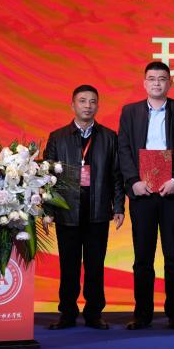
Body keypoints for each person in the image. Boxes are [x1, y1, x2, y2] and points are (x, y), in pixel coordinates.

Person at [118, 61, 174, 330]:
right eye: (151, 79)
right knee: (143, 256)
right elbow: (124, 149)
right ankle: (142, 313)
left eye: (162, 79)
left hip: (172, 191)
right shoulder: (130, 112)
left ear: (169, 83)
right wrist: (133, 181)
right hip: (142, 192)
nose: (156, 83)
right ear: (144, 83)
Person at [43, 85, 125, 330]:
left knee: (95, 266)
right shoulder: (58, 137)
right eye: (82, 101)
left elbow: (117, 175)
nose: (88, 106)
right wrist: (48, 210)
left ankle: (94, 313)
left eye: (92, 101)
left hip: (97, 211)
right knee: (68, 265)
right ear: (73, 105)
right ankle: (67, 313)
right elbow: (47, 177)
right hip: (67, 211)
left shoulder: (109, 137)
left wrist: (119, 206)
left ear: (98, 106)